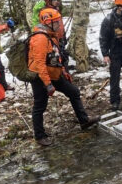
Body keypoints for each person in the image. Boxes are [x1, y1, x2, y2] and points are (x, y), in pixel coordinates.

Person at [28, 8, 100, 146]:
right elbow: (40, 64)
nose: (59, 25)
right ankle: (39, 136)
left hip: (54, 74)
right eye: (56, 22)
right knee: (39, 106)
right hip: (40, 77)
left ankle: (84, 121)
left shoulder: (52, 35)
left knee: (73, 92)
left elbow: (56, 57)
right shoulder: (40, 38)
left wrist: (63, 72)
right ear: (48, 22)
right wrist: (48, 84)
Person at [32, 0, 70, 70]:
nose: (56, 1)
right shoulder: (46, 13)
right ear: (49, 1)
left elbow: (59, 25)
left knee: (64, 56)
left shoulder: (54, 9)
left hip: (59, 37)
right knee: (58, 59)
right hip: (53, 40)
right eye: (54, 0)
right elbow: (49, 28)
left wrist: (63, 36)